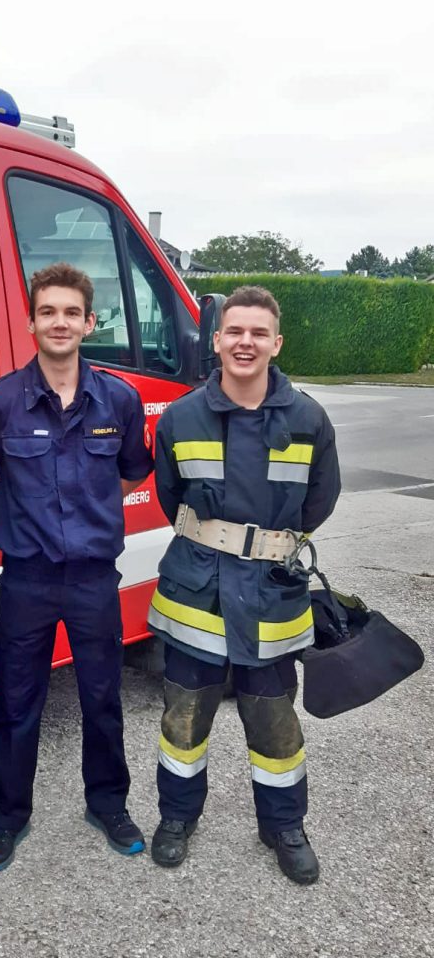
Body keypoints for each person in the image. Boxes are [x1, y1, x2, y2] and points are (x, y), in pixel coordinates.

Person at [147, 284, 340, 885]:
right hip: (197, 596)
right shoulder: (181, 416)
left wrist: (265, 547)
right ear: (217, 338)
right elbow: (168, 496)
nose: (245, 342)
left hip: (271, 598)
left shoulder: (308, 419)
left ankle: (283, 825)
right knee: (183, 723)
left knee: (275, 724)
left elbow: (320, 501)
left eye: (258, 333)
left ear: (276, 342)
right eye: (235, 331)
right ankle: (177, 817)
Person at [0, 261, 154, 871]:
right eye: (47, 311)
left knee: (102, 696)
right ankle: (8, 820)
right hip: (27, 578)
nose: (59, 322)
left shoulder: (120, 400)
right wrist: (27, 511)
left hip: (95, 579)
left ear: (89, 322)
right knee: (16, 702)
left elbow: (131, 470)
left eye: (71, 312)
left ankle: (108, 805)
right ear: (31, 321)